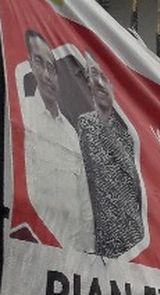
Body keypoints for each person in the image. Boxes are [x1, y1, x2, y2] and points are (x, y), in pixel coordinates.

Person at [21, 29, 94, 252]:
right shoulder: (24, 121)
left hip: (70, 264)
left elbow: (85, 208)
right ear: (30, 66)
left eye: (51, 68)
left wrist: (88, 255)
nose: (46, 74)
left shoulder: (71, 135)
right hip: (35, 254)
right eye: (39, 63)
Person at [77, 53, 144, 257]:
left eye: (103, 78)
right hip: (107, 240)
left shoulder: (127, 135)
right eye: (91, 78)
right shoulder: (87, 123)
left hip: (134, 237)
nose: (98, 84)